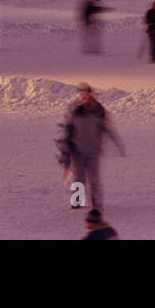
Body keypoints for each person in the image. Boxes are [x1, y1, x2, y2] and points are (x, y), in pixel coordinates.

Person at [62, 83, 125, 212]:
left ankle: (96, 202)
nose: (86, 97)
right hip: (77, 151)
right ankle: (77, 202)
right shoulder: (76, 110)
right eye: (83, 94)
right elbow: (69, 130)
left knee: (94, 178)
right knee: (78, 178)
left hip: (93, 151)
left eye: (87, 94)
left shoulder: (99, 110)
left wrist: (117, 143)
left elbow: (107, 128)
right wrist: (66, 149)